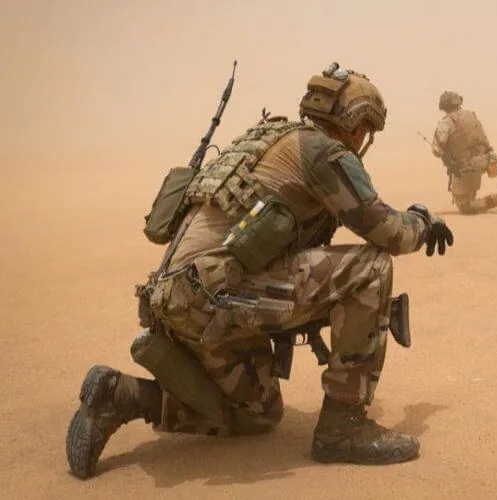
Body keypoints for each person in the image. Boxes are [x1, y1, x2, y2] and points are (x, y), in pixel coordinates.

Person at [66, 62, 455, 479]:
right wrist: (422, 221)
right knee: (371, 269)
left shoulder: (268, 141)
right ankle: (343, 430)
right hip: (220, 296)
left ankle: (121, 397)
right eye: (366, 130)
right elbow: (390, 233)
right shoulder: (324, 151)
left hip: (181, 300)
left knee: (259, 415)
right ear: (357, 125)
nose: (363, 139)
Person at [431, 91, 497, 215]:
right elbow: (484, 140)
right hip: (484, 161)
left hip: (465, 167)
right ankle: (487, 199)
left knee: (465, 207)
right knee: (470, 194)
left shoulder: (446, 123)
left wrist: (445, 156)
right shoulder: (471, 116)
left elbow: (437, 151)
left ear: (443, 106)